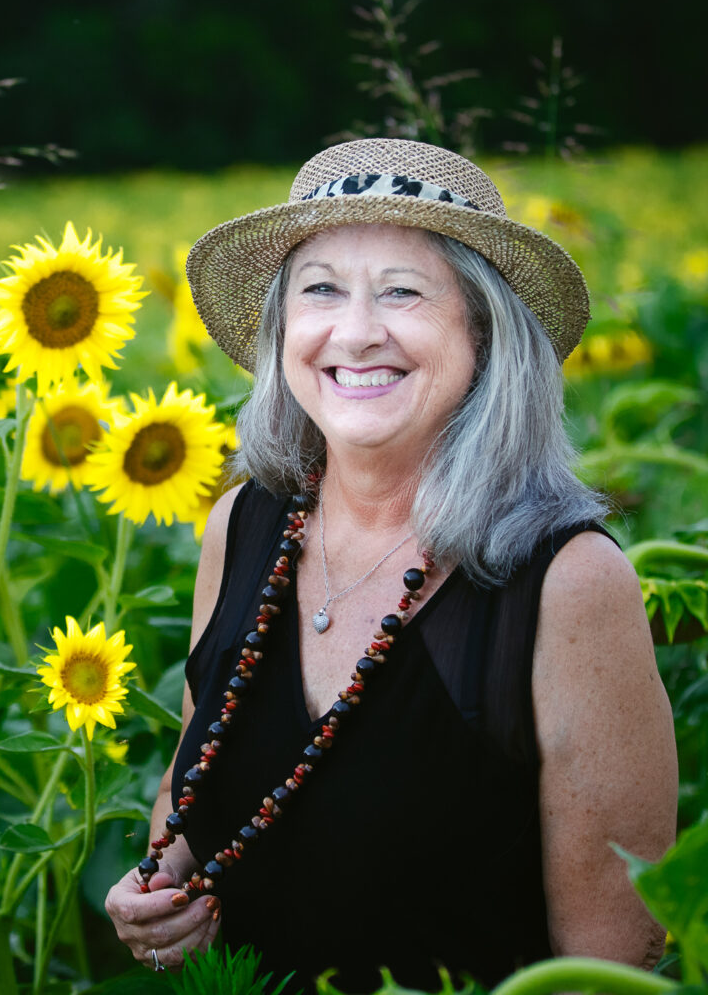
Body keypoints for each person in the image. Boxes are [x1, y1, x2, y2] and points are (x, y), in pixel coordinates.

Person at [104, 138, 677, 993]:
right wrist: (155, 892)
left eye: (403, 292)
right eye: (321, 290)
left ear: (483, 335)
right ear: (283, 331)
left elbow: (608, 962)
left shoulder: (566, 582)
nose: (356, 331)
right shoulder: (243, 526)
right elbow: (200, 779)